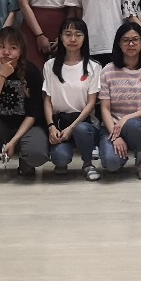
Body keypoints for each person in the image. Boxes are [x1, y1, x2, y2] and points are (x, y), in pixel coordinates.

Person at [0, 27, 47, 185]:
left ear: (21, 51)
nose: (6, 52)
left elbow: (32, 115)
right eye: (2, 46)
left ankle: (26, 162)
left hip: (27, 128)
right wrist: (2, 75)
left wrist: (14, 141)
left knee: (36, 155)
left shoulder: (31, 71)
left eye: (13, 48)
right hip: (0, 127)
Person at [98, 21, 141, 179]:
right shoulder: (108, 70)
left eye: (135, 40)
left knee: (134, 125)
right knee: (111, 164)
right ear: (119, 43)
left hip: (139, 126)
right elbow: (105, 108)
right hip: (111, 127)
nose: (131, 44)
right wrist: (116, 136)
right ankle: (121, 155)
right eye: (126, 40)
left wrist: (126, 118)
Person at [41, 18, 101, 179]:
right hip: (60, 122)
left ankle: (88, 163)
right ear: (60, 37)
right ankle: (62, 159)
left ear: (84, 38)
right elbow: (47, 99)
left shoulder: (94, 67)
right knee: (59, 159)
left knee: (82, 130)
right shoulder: (50, 65)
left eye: (78, 34)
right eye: (68, 34)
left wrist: (72, 127)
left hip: (83, 122)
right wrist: (51, 126)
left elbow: (91, 102)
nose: (73, 39)